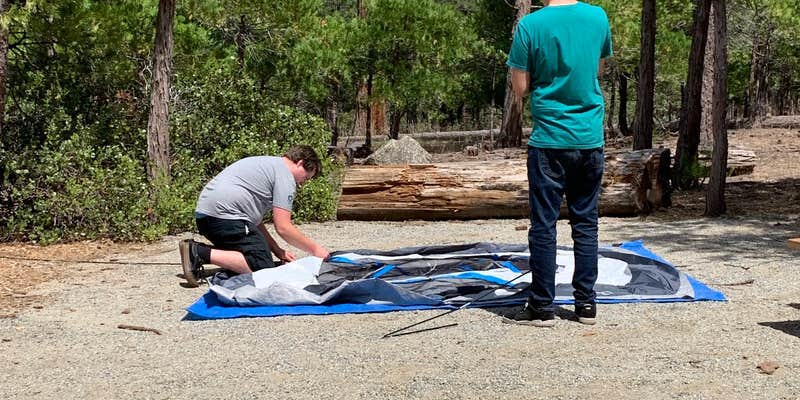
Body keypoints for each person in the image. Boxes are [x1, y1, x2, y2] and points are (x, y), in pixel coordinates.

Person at [502, 0, 612, 326]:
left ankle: (541, 308)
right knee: (586, 224)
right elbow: (598, 69)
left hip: (549, 140)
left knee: (544, 227)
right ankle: (586, 305)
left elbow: (520, 89)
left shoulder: (530, 26)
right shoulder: (598, 17)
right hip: (589, 138)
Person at [179, 145, 330, 287]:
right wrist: (316, 250)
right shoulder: (285, 175)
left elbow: (255, 223)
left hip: (206, 218)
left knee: (260, 256)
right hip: (225, 218)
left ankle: (200, 253)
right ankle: (198, 252)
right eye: (306, 177)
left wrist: (277, 250)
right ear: (300, 163)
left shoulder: (268, 165)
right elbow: (283, 227)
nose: (303, 183)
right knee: (264, 268)